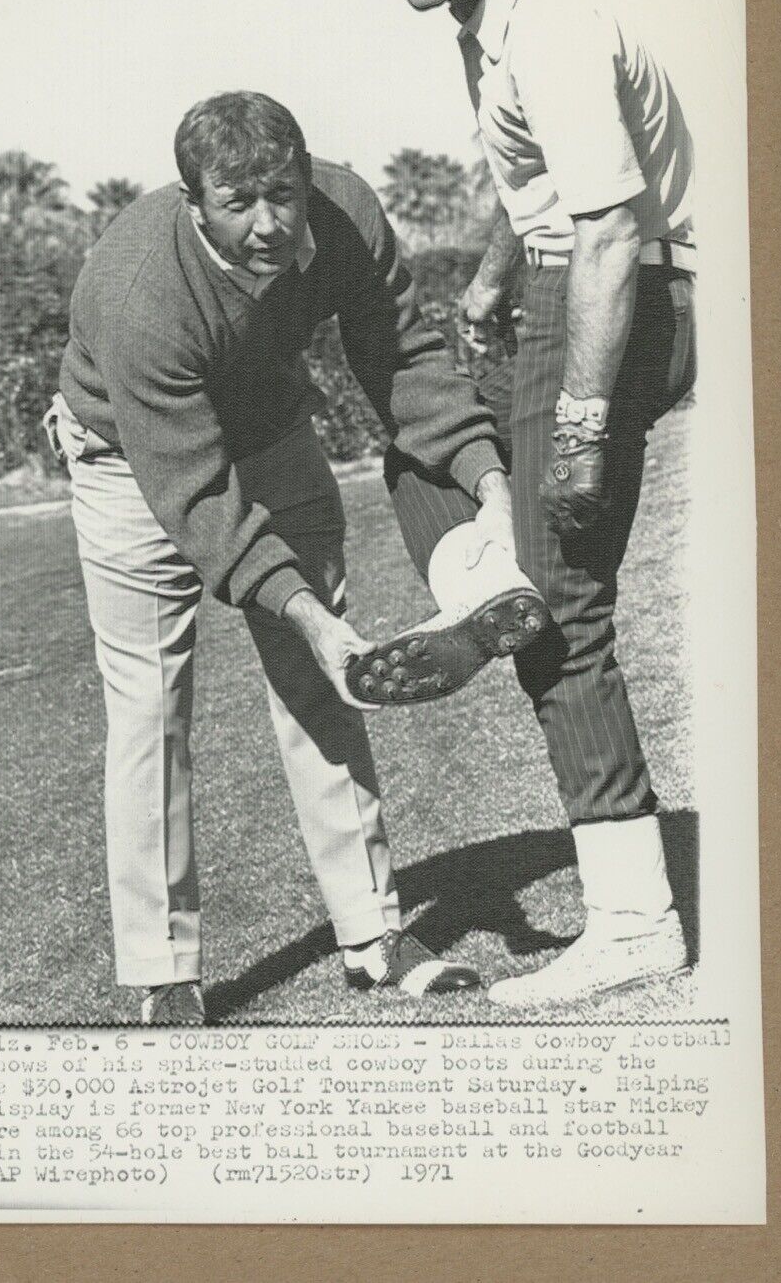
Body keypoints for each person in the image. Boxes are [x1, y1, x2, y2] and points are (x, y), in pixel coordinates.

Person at [46, 90, 548, 1023]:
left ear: (307, 175)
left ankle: (373, 932)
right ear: (195, 203)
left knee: (327, 682)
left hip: (270, 426)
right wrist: (306, 612)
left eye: (283, 193)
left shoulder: (346, 211)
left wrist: (488, 483)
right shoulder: (137, 293)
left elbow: (404, 356)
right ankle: (164, 972)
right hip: (128, 458)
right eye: (238, 203)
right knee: (152, 705)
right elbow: (194, 495)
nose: (269, 222)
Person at [335, 0, 697, 1007]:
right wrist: (491, 274)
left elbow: (606, 230)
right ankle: (486, 581)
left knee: (566, 610)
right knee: (424, 449)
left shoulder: (550, 25)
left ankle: (637, 921)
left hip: (617, 293)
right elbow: (531, 179)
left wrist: (586, 427)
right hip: (554, 279)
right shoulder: (484, 20)